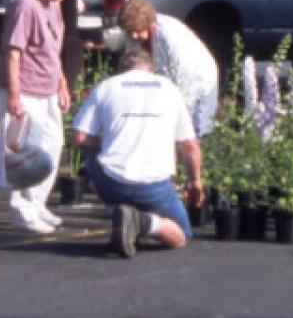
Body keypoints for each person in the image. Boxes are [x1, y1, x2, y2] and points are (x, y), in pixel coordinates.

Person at [70, 45, 204, 259]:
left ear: (122, 70)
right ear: (151, 69)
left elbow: (79, 137)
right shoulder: (168, 88)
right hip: (153, 186)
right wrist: (195, 181)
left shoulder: (107, 86)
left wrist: (108, 144)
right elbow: (190, 145)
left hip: (112, 180)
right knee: (182, 235)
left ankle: (119, 211)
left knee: (91, 156)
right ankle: (146, 222)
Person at [0, 0, 74, 233]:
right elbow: (13, 52)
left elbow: (53, 50)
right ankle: (21, 209)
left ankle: (37, 203)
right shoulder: (23, 5)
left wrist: (62, 83)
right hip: (25, 87)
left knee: (53, 145)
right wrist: (15, 97)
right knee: (27, 152)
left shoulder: (53, 4)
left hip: (47, 86)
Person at [117, 0, 219, 135]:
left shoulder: (170, 36)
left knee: (197, 126)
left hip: (196, 76)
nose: (134, 36)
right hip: (170, 78)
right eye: (130, 32)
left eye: (137, 30)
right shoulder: (135, 37)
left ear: (148, 23)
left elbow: (183, 81)